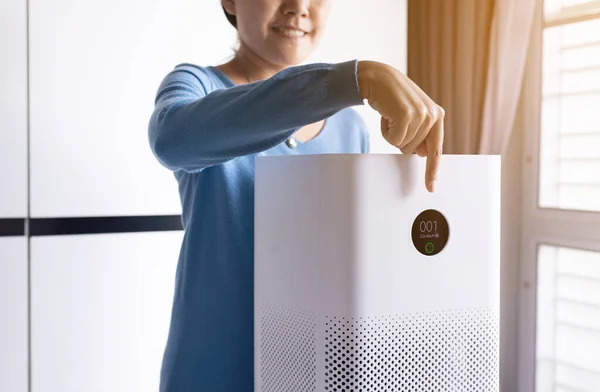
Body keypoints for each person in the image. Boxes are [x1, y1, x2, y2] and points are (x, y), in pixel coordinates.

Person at [148, 0, 445, 390]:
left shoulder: (349, 127)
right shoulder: (196, 86)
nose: (298, 7)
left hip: (316, 374)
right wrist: (350, 80)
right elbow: (173, 140)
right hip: (213, 370)